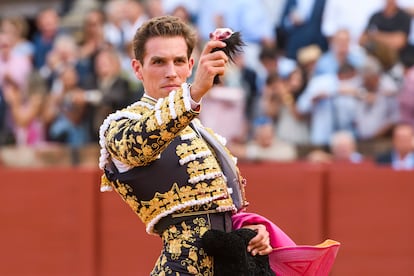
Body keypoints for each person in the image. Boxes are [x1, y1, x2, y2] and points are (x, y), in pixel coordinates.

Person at [98, 16, 273, 275]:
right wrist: (192, 94)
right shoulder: (121, 124)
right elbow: (139, 144)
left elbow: (222, 209)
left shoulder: (201, 131)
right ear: (137, 68)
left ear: (190, 65)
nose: (171, 72)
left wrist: (250, 232)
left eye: (179, 61)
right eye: (158, 61)